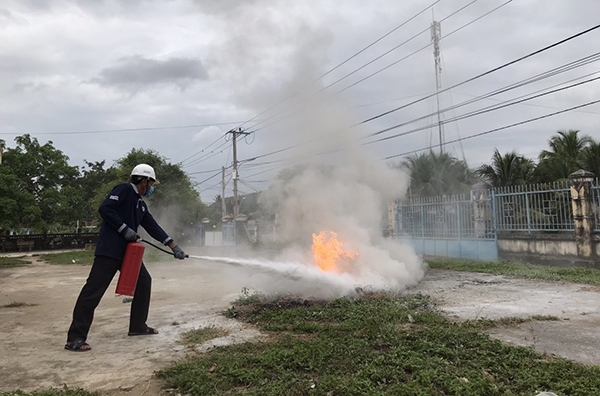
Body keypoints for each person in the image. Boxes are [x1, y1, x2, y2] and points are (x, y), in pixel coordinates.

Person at [65, 164, 186, 352]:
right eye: (151, 183)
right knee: (93, 292)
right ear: (144, 181)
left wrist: (173, 246)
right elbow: (105, 209)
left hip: (128, 254)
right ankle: (75, 338)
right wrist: (124, 228)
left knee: (144, 282)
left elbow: (152, 226)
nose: (152, 188)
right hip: (110, 251)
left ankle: (137, 326)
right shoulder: (123, 190)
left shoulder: (140, 204)